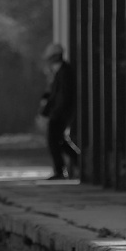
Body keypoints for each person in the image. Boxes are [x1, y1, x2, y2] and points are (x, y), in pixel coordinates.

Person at [40, 42, 81, 180]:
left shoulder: (65, 72)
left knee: (53, 140)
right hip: (60, 112)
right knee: (59, 141)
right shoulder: (60, 72)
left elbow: (62, 96)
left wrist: (53, 112)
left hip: (61, 114)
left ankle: (60, 170)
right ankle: (77, 160)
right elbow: (54, 94)